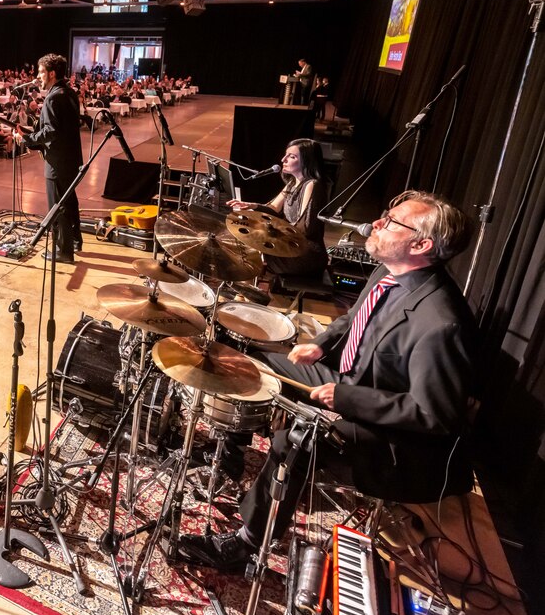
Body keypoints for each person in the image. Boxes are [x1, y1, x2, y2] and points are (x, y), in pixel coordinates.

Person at [177, 191, 477, 572]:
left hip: (395, 437)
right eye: (385, 214)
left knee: (295, 442)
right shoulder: (389, 272)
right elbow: (355, 318)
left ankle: (246, 543)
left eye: (392, 221)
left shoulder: (440, 323)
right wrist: (319, 344)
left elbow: (433, 415)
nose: (377, 223)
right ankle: (230, 457)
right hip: (350, 384)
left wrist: (347, 398)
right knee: (255, 366)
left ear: (421, 244)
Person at [13, 53, 84, 263]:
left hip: (57, 162)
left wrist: (26, 139)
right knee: (70, 201)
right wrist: (33, 133)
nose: (38, 76)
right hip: (71, 159)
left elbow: (51, 131)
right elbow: (61, 128)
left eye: (41, 72)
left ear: (52, 73)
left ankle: (63, 251)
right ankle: (76, 241)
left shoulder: (53, 97)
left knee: (57, 206)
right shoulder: (69, 92)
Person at [227, 138, 328, 277]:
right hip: (291, 244)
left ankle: (250, 291)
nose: (283, 159)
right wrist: (252, 206)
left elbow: (305, 227)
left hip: (306, 253)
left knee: (251, 254)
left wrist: (272, 234)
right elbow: (274, 207)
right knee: (246, 246)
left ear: (307, 161)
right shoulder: (293, 183)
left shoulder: (312, 185)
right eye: (285, 154)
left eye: (292, 157)